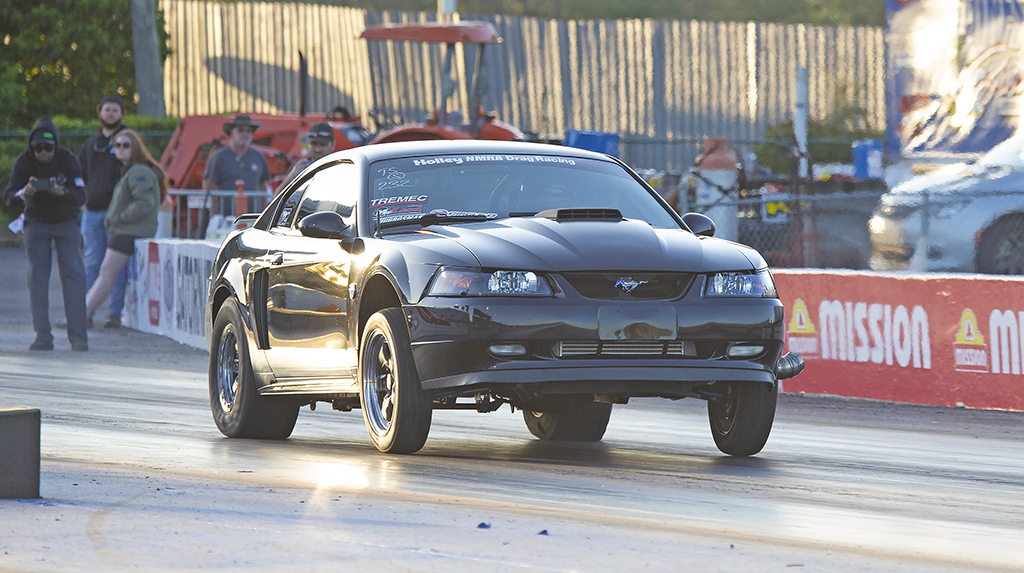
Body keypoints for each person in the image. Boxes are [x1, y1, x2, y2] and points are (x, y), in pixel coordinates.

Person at [4, 118, 89, 351]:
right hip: (37, 223)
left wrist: (62, 192)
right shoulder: (24, 162)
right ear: (32, 148)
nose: (43, 154)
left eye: (48, 148)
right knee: (37, 278)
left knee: (72, 275)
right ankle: (43, 336)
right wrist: (24, 192)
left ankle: (79, 338)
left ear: (56, 147)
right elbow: (9, 197)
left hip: (66, 222)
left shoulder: (68, 160)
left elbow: (81, 195)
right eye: (38, 148)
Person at [85, 129, 166, 322]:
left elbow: (145, 204)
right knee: (107, 273)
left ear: (135, 148)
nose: (120, 149)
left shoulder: (138, 171)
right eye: (117, 145)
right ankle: (84, 315)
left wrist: (119, 218)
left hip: (129, 232)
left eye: (125, 145)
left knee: (106, 273)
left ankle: (82, 316)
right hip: (128, 231)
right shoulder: (133, 170)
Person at [78, 94, 130, 329]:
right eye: (107, 109)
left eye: (115, 110)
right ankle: (85, 313)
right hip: (91, 212)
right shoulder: (90, 144)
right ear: (99, 113)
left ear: (122, 114)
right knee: (92, 263)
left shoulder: (128, 141)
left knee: (116, 266)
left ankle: (114, 313)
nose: (111, 113)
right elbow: (80, 176)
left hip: (116, 215)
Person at [202, 114, 270, 233]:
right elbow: (209, 184)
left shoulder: (258, 157)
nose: (245, 134)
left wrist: (264, 213)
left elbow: (262, 185)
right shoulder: (219, 157)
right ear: (231, 133)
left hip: (253, 219)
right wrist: (215, 214)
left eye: (249, 131)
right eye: (240, 130)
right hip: (226, 220)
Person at [278, 122, 335, 189]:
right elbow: (277, 196)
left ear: (332, 144)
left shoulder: (340, 168)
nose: (317, 149)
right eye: (314, 144)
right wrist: (291, 176)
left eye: (322, 145)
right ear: (308, 143)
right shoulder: (299, 166)